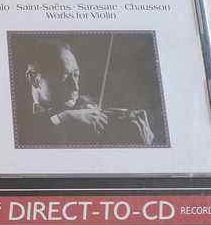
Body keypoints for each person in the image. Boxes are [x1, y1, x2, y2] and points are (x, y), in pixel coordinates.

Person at [18, 40, 154, 146]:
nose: (76, 86)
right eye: (65, 76)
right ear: (34, 79)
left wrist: (143, 146)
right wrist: (64, 117)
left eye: (76, 75)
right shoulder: (16, 121)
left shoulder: (88, 119)